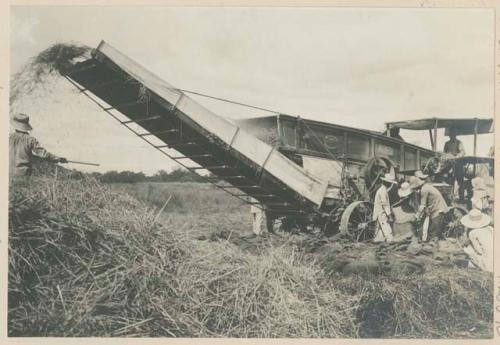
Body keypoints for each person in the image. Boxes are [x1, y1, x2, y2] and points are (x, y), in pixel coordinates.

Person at [410, 176, 449, 242]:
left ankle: (432, 246)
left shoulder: (424, 190)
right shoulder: (426, 187)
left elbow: (422, 205)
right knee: (431, 228)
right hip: (436, 207)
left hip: (439, 209)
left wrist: (417, 216)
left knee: (433, 231)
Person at [443, 128, 467, 203]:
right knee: (449, 182)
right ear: (449, 135)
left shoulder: (459, 143)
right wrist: (447, 156)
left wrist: (456, 157)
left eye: (453, 134)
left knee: (460, 182)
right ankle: (449, 199)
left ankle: (461, 199)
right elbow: (444, 153)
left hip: (458, 164)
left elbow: (463, 152)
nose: (452, 136)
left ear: (455, 135)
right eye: (451, 134)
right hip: (449, 165)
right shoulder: (447, 143)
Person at [372, 173, 396, 243]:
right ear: (387, 183)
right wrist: (389, 215)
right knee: (385, 225)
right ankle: (390, 240)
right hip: (381, 212)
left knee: (380, 227)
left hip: (379, 211)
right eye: (390, 183)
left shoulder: (382, 189)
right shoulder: (383, 191)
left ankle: (378, 239)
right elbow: (385, 204)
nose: (391, 185)